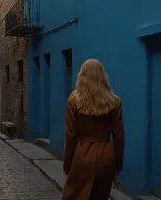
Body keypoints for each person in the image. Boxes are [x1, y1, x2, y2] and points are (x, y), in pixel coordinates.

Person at [62, 59, 125, 200]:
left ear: (82, 76)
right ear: (103, 77)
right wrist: (117, 166)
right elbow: (119, 136)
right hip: (106, 157)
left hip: (82, 156)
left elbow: (70, 136)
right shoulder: (115, 102)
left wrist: (67, 164)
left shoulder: (73, 101)